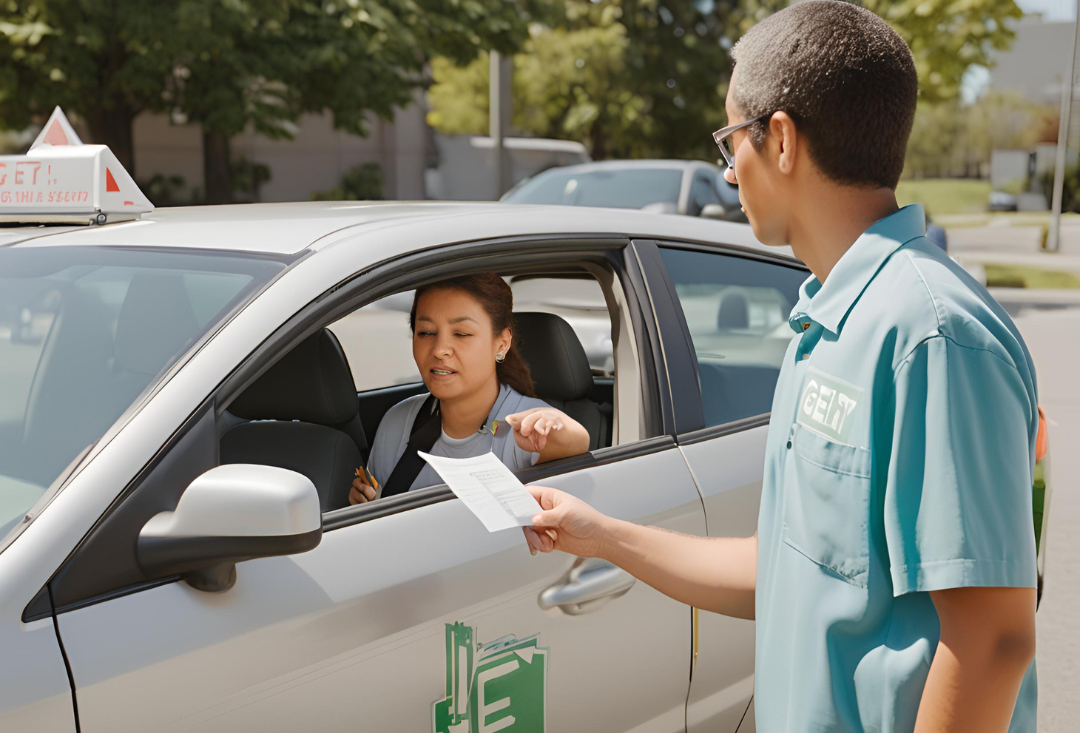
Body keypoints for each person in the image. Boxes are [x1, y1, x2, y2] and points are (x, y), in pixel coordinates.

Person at [524, 3, 1040, 732]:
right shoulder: (822, 320)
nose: (729, 171)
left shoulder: (932, 335)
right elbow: (787, 572)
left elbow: (994, 638)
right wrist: (603, 533)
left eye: (732, 141)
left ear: (783, 139)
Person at [350, 273, 591, 503]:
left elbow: (574, 442)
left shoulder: (526, 430)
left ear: (502, 343)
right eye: (426, 332)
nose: (439, 349)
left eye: (461, 334)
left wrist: (558, 424)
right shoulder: (397, 422)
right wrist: (369, 503)